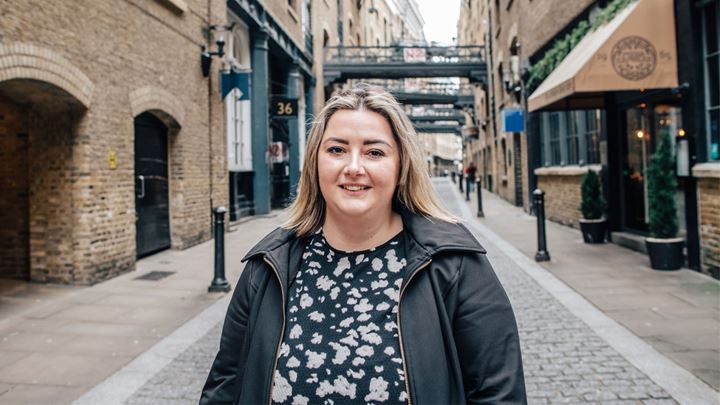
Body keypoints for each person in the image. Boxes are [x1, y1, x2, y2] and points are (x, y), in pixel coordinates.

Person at [200, 85, 526, 405]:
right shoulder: (268, 268)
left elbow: (498, 393)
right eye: (337, 150)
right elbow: (225, 388)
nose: (354, 168)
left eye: (374, 152)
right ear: (315, 163)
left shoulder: (455, 266)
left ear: (401, 166)